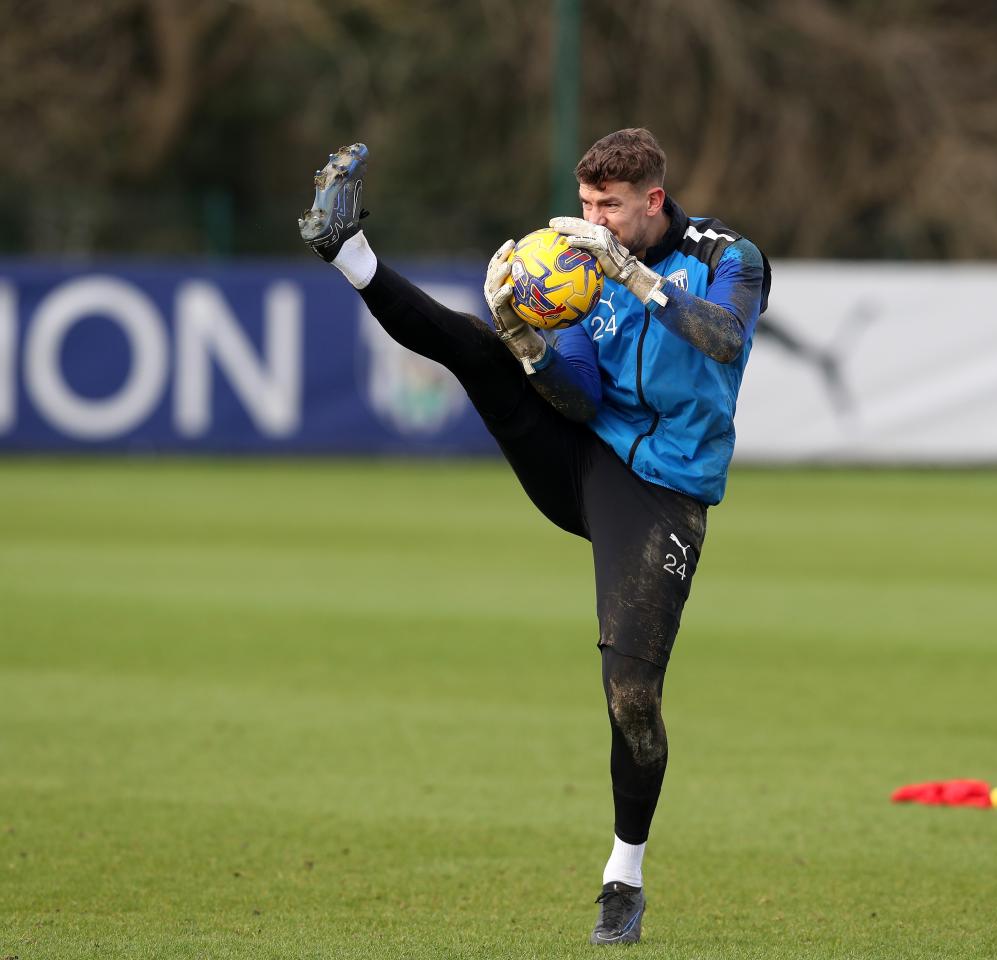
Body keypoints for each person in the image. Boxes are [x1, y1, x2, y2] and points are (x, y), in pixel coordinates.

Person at [299, 128, 769, 945]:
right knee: (479, 349)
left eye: (609, 206)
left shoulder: (728, 256)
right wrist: (525, 337)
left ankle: (624, 876)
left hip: (662, 494)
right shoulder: (580, 265)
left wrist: (639, 280)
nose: (593, 221)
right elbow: (581, 398)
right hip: (580, 461)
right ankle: (347, 251)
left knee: (632, 697)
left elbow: (726, 337)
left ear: (653, 200)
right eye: (585, 203)